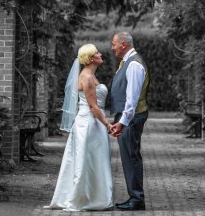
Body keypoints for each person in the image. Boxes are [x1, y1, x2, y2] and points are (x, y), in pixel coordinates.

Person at [44, 44, 113, 211]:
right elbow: (93, 107)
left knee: (95, 159)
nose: (100, 53)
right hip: (88, 123)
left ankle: (95, 197)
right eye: (96, 52)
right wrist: (108, 124)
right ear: (90, 58)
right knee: (85, 160)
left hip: (93, 122)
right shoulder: (87, 77)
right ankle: (82, 199)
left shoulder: (90, 75)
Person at [110, 31, 150, 211]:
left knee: (131, 157)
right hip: (128, 118)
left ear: (123, 44)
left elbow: (131, 99)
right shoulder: (128, 62)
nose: (112, 48)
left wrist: (123, 121)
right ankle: (135, 197)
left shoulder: (133, 64)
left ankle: (137, 199)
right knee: (128, 157)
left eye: (114, 44)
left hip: (131, 118)